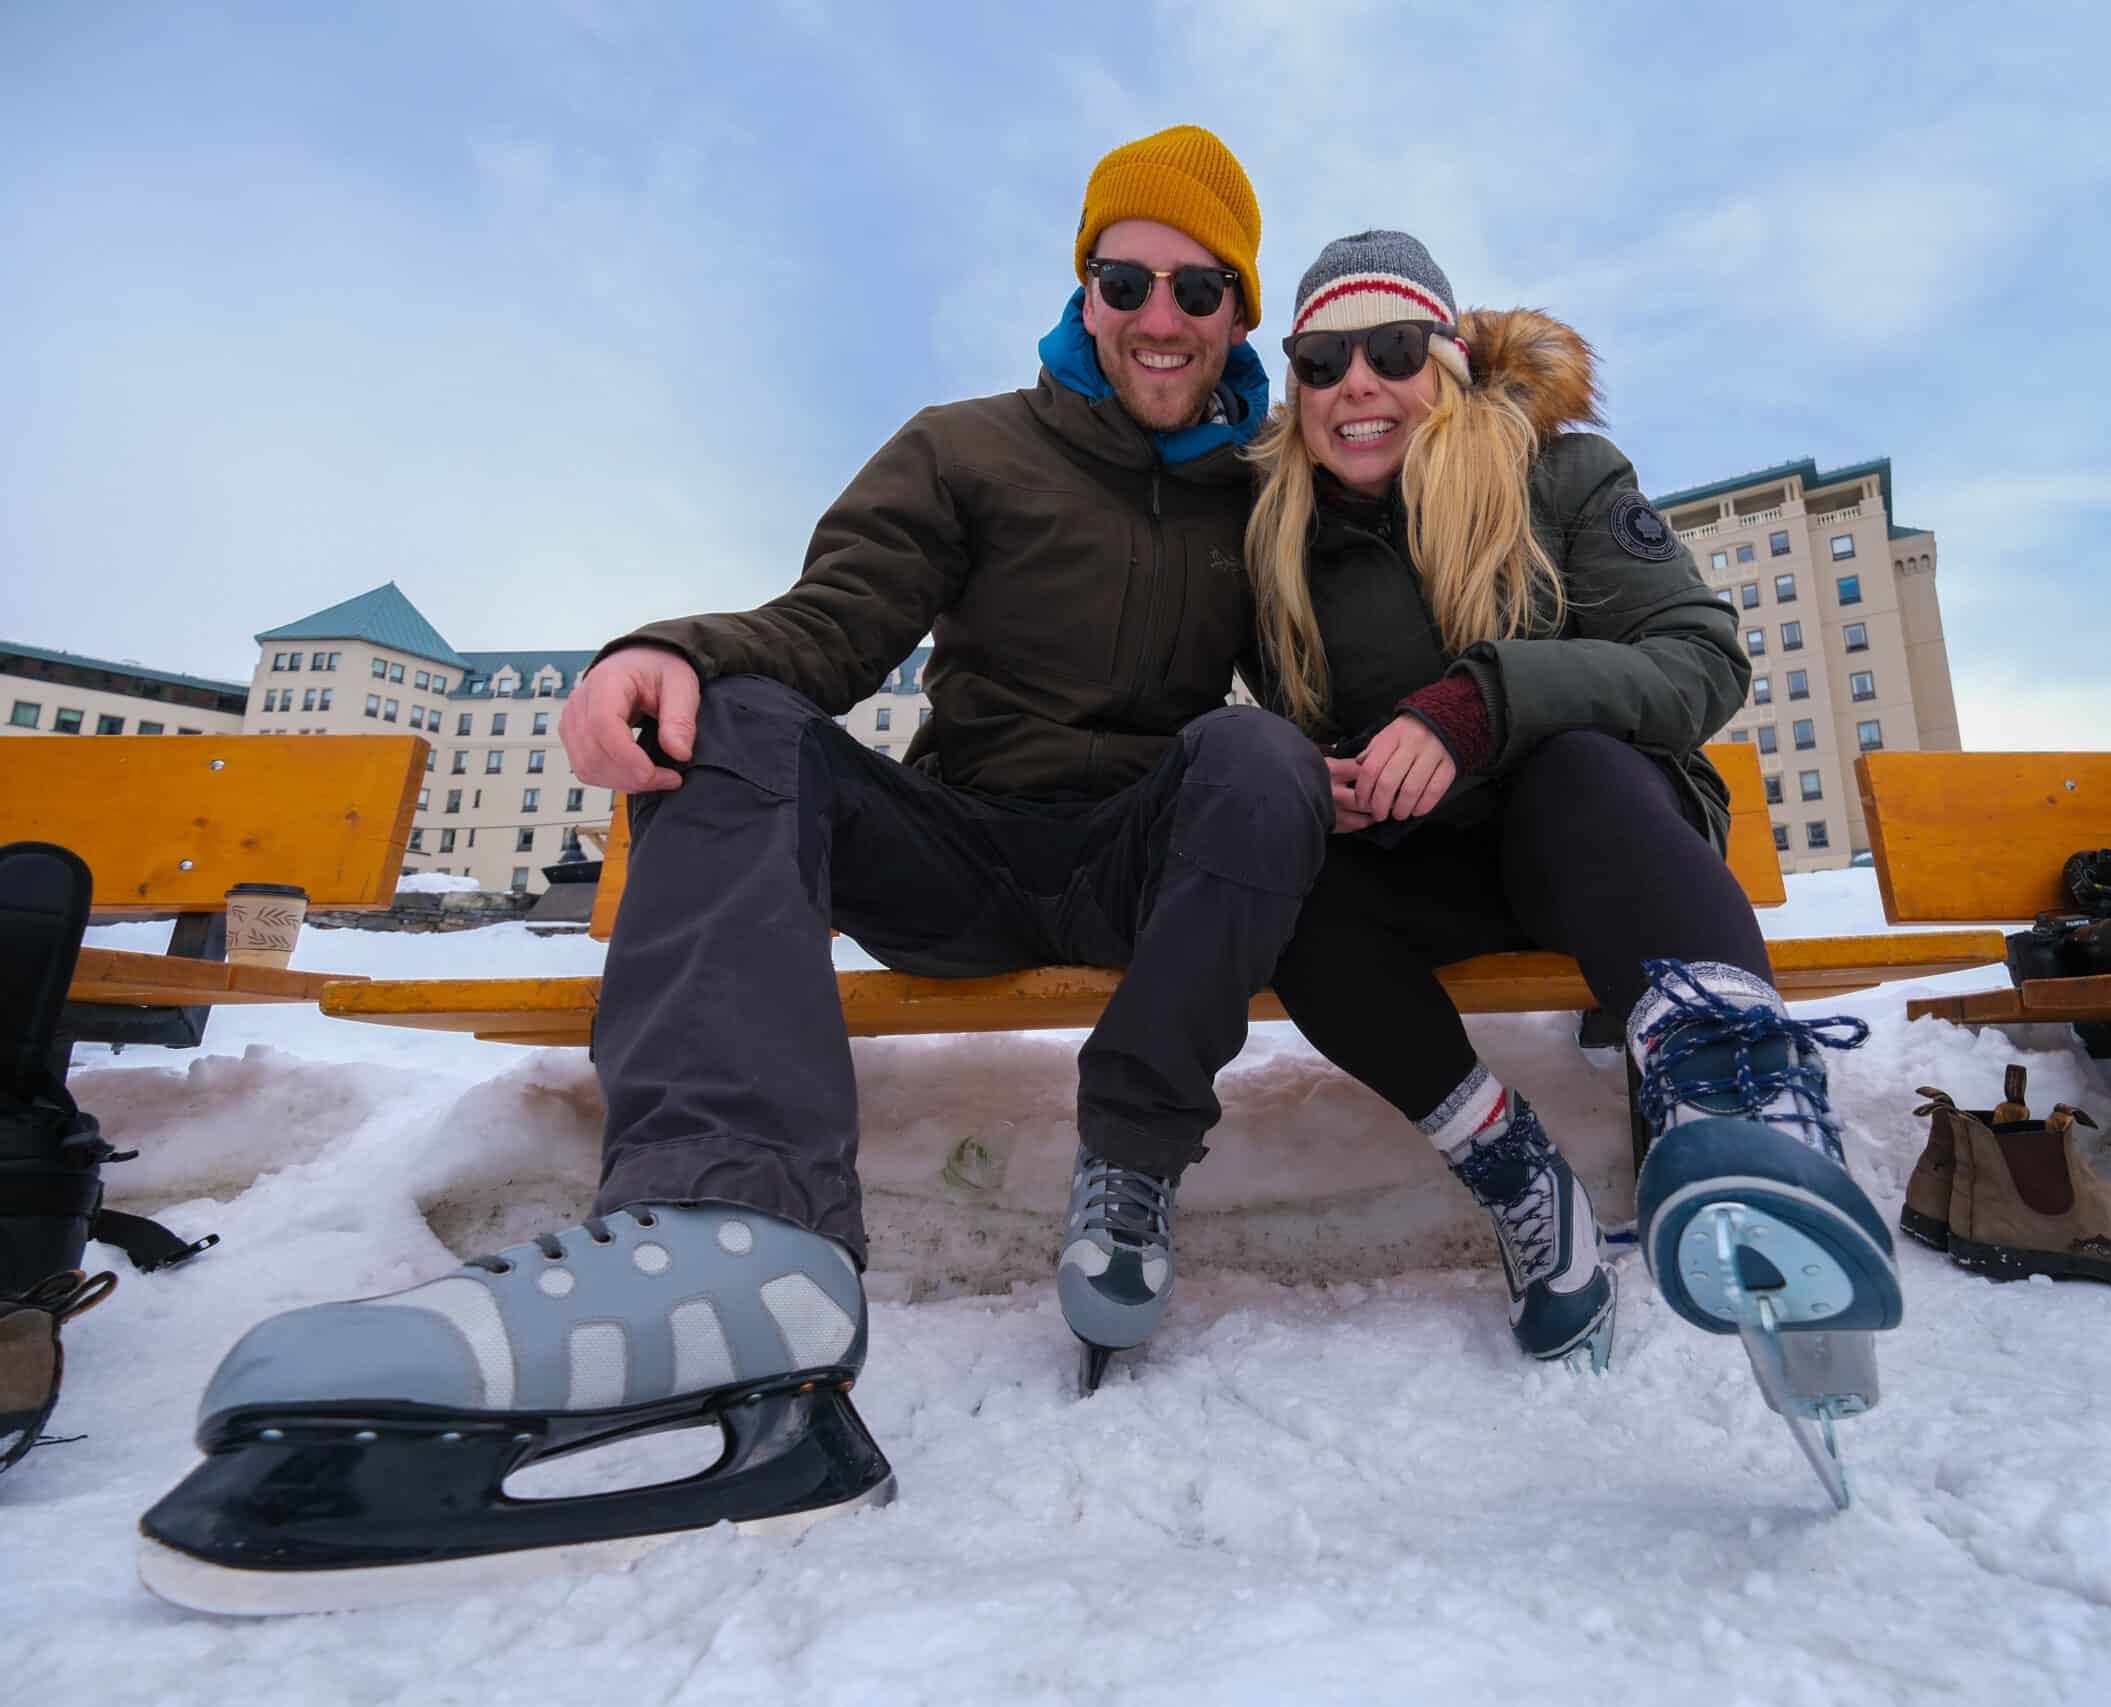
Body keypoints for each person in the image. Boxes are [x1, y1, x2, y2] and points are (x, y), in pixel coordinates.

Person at [137, 126, 1335, 1615]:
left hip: (1134, 861)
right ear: (1083, 291)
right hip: (956, 847)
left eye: (1200, 289)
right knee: (747, 721)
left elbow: (1331, 671)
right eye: (1126, 278)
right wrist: (674, 652)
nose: (1161, 317)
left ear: (1240, 311)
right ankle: (739, 1232)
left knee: (1262, 756)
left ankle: (1132, 1164)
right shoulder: (965, 447)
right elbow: (831, 622)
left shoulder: (1271, 492)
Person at [1245, 234, 1903, 1420]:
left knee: (1581, 768)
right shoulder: (1277, 542)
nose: (1356, 384)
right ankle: (1517, 1175)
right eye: (1319, 359)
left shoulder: (1561, 473)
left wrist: (1482, 704)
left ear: (1443, 361)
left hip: (1593, 843)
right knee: (1287, 879)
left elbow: (1698, 660)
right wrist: (1323, 778)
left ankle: (1751, 1124)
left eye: (1391, 350)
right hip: (1425, 859)